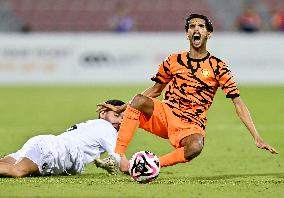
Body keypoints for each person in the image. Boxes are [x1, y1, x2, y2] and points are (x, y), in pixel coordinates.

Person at [96, 13, 279, 175]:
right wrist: (124, 106)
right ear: (187, 34)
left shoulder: (218, 67)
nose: (196, 29)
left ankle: (153, 165)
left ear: (209, 34)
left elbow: (238, 104)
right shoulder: (173, 60)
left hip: (191, 123)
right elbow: (155, 90)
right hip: (165, 114)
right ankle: (118, 159)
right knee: (137, 100)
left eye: (201, 26)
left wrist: (256, 136)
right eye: (192, 26)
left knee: (196, 146)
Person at [0, 99, 128, 177]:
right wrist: (145, 167)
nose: (121, 121)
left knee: (5, 164)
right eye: (117, 115)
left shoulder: (92, 127)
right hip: (54, 151)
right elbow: (125, 166)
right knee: (17, 171)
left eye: (123, 119)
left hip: (46, 145)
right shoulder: (106, 127)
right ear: (103, 113)